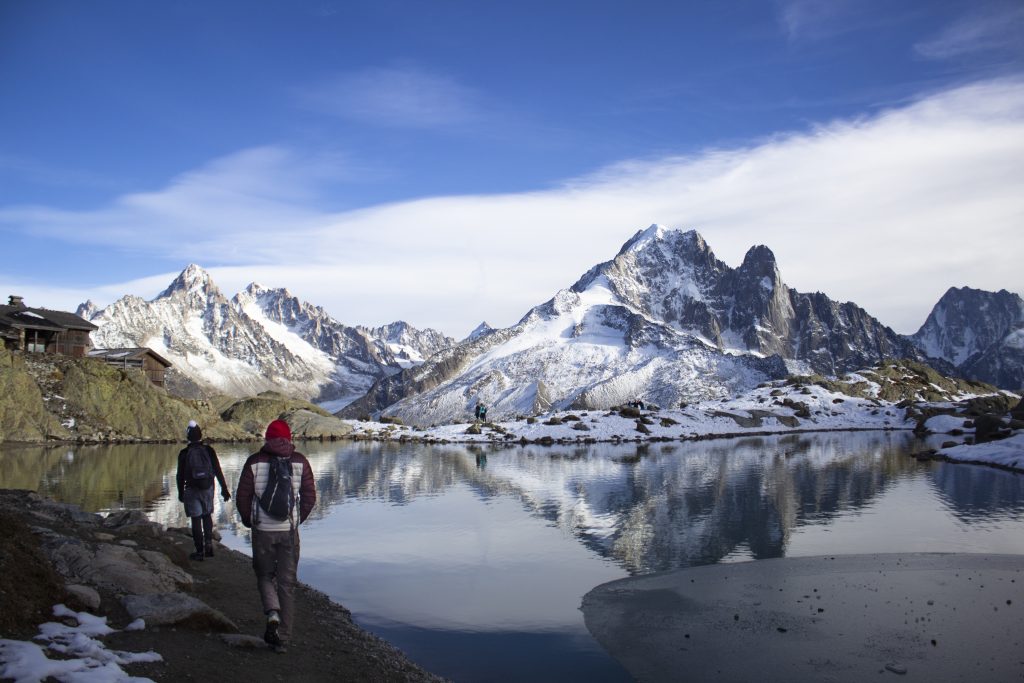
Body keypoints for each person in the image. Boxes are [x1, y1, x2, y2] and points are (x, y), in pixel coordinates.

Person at [235, 419, 316, 654]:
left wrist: (249, 520)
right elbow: (310, 496)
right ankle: (284, 638)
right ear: (289, 438)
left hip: (263, 531)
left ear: (268, 438)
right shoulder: (300, 461)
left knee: (264, 575)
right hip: (289, 533)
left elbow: (243, 496)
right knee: (287, 584)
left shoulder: (254, 462)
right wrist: (296, 520)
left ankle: (272, 613)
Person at [176, 420, 230, 562]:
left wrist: (180, 492)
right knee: (207, 516)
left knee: (196, 519)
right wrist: (224, 490)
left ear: (188, 437)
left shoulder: (184, 453)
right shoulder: (209, 451)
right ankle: (208, 546)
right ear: (200, 435)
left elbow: (180, 475)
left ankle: (199, 552)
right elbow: (218, 471)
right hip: (207, 488)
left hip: (191, 489)